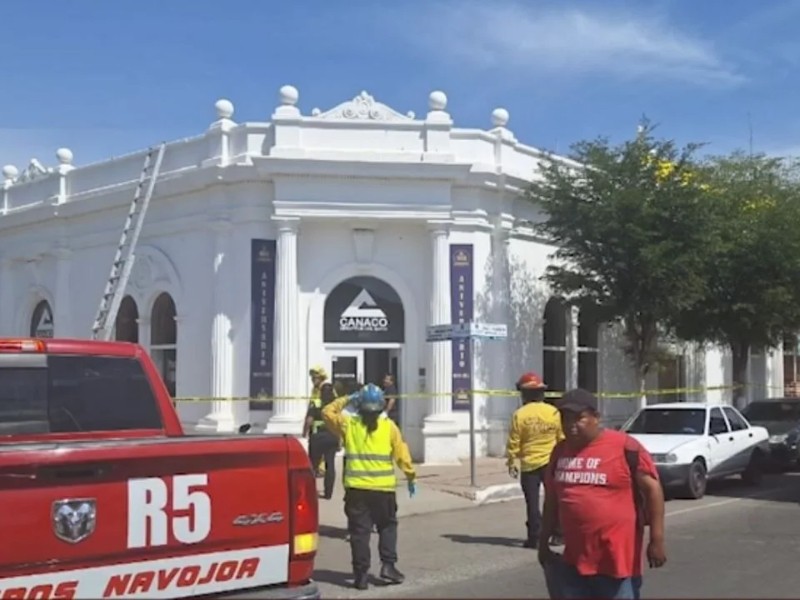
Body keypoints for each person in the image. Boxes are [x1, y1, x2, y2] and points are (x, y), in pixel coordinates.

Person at [538, 388, 667, 600]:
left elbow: (653, 490)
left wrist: (657, 539)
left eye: (578, 418)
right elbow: (552, 501)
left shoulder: (625, 447)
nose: (570, 425)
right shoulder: (560, 451)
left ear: (596, 418)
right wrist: (543, 542)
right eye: (565, 419)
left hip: (616, 562)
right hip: (572, 561)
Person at [323, 383, 417, 591]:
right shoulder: (389, 427)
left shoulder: (349, 424)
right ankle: (388, 566)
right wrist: (411, 476)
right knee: (387, 527)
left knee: (359, 533)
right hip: (383, 490)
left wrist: (348, 398)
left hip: (356, 490)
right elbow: (402, 454)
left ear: (360, 405)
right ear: (381, 405)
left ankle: (361, 576)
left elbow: (327, 412)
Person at [505, 371, 564, 549]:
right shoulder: (553, 412)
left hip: (529, 465)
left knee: (532, 503)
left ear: (523, 394)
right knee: (554, 499)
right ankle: (558, 534)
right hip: (551, 463)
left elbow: (514, 442)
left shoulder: (519, 415)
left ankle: (535, 537)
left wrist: (512, 462)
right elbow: (561, 438)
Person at [306, 382, 339, 499]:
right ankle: (328, 493)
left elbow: (309, 420)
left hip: (317, 438)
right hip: (332, 437)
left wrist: (304, 433)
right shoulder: (336, 405)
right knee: (330, 465)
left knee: (312, 466)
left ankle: (309, 491)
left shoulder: (316, 403)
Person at [304, 366, 332, 476]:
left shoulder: (326, 389)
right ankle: (318, 469)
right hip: (316, 427)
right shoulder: (315, 390)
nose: (312, 380)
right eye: (312, 378)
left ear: (321, 378)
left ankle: (319, 469)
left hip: (323, 429)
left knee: (319, 453)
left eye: (315, 378)